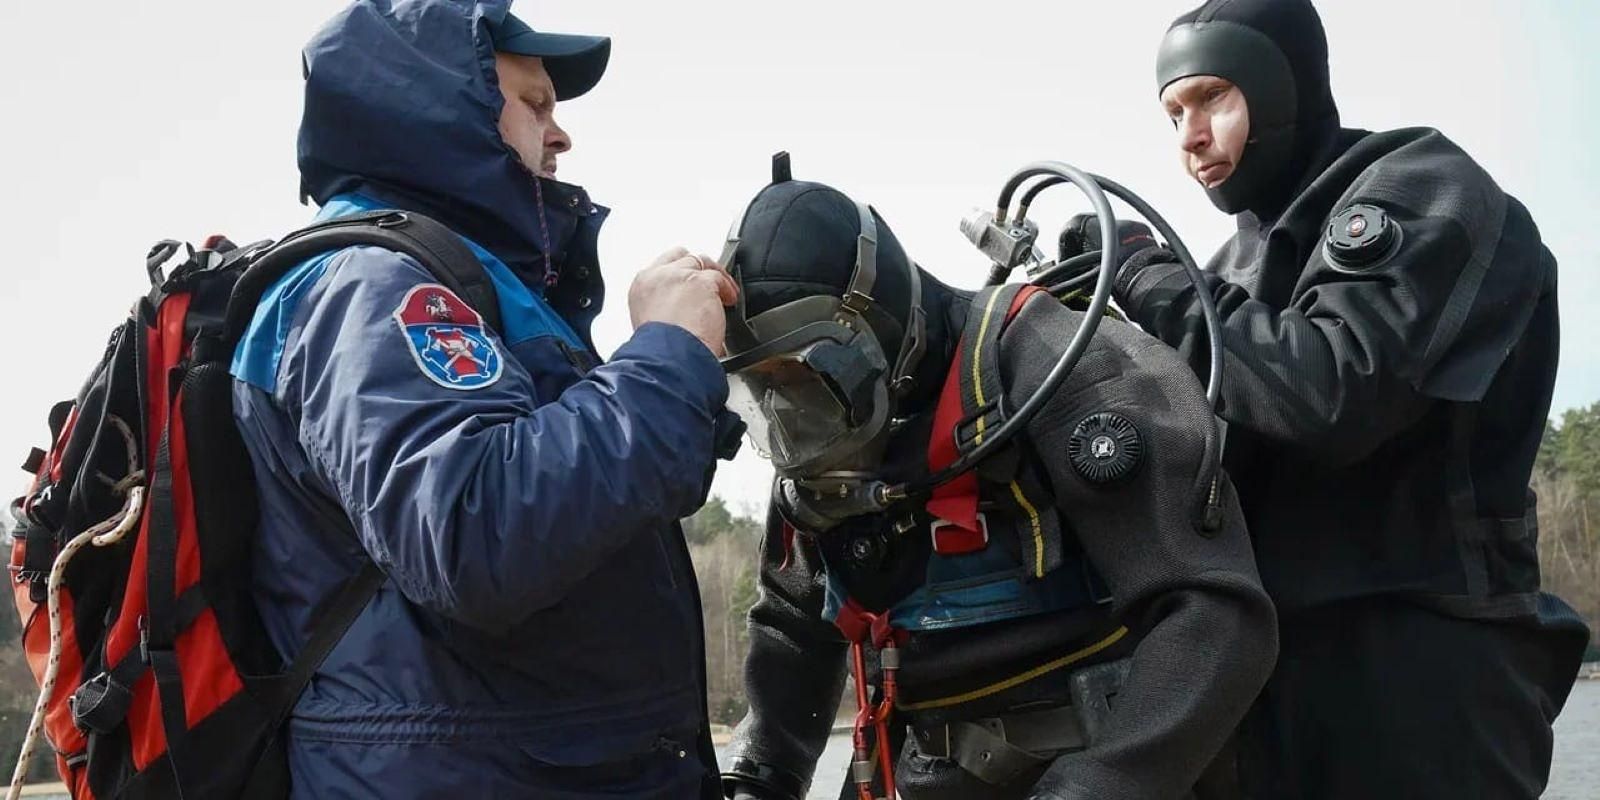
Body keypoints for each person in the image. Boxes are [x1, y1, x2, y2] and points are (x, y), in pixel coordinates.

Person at [228, 1, 737, 796]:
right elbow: (471, 531)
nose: (561, 134)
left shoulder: (468, 287)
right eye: (534, 103)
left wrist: (693, 378)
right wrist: (665, 354)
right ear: (431, 100)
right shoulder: (372, 284)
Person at [1097, 1, 1593, 797]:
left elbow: (1332, 389)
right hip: (1264, 681)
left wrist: (1152, 281)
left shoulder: (1422, 186)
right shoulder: (1228, 266)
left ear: (1282, 86)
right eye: (1173, 113)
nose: (1189, 137)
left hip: (1424, 672)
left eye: (1213, 98)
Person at [716, 166, 1278, 800]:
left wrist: (1101, 784)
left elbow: (1214, 612)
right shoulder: (820, 438)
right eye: (764, 388)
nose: (789, 414)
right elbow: (794, 622)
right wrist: (762, 773)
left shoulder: (1061, 367)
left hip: (1115, 769)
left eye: (800, 379)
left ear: (871, 331)